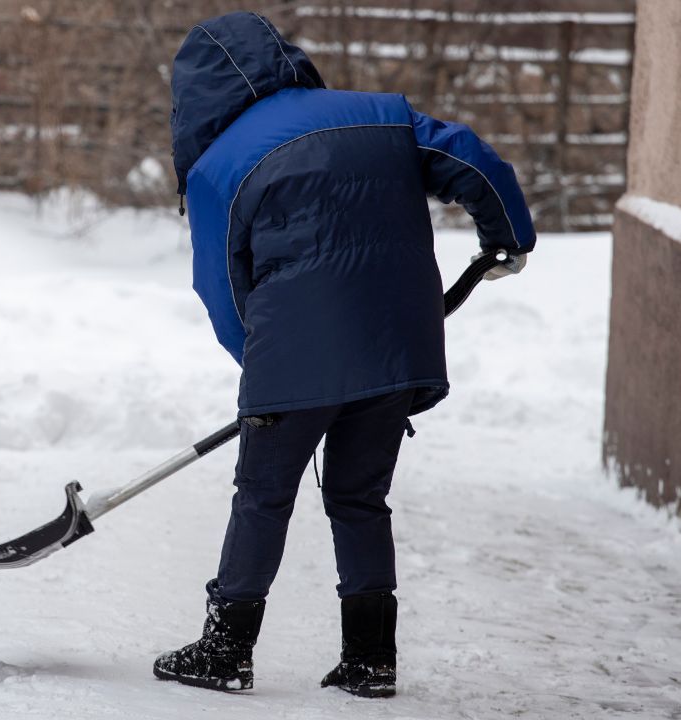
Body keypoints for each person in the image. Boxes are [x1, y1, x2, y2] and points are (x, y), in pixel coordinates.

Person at [153, 12, 535, 697]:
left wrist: (264, 372)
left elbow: (222, 291)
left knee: (263, 498)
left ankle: (226, 648)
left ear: (195, 96)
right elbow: (470, 159)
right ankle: (370, 660)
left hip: (291, 353)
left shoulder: (217, 168)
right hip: (395, 343)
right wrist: (506, 237)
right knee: (360, 499)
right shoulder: (380, 116)